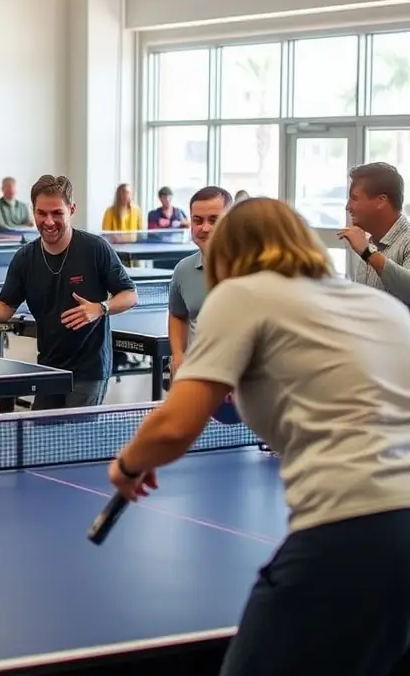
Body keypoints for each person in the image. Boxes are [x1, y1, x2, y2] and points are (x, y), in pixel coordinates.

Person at [107, 197, 410, 676]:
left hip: (352, 525)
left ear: (230, 252)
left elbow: (175, 425)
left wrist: (127, 465)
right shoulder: (379, 306)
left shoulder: (244, 294)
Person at [0, 175, 138, 408]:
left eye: (57, 213)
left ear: (72, 209)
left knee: (76, 439)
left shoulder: (95, 248)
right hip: (49, 366)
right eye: (42, 213)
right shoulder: (25, 258)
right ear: (33, 211)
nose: (48, 221)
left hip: (90, 369)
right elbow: (5, 308)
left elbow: (130, 294)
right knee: (44, 439)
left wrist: (100, 308)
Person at [167, 186, 232, 377]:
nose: (205, 228)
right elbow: (178, 315)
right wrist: (177, 354)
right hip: (198, 377)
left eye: (214, 220)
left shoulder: (251, 270)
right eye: (197, 220)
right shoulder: (183, 270)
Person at [339, 161, 410, 307]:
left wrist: (368, 254)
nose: (348, 206)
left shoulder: (406, 240)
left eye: (355, 198)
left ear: (381, 201)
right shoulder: (370, 243)